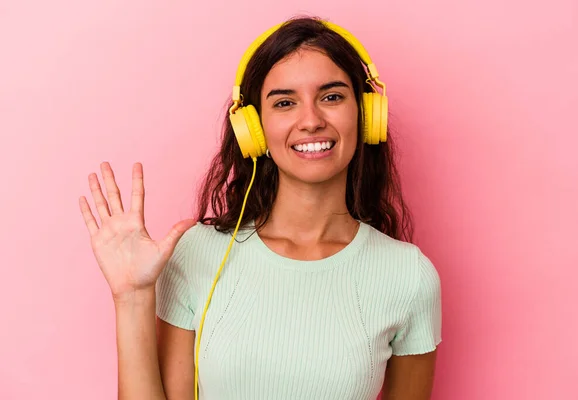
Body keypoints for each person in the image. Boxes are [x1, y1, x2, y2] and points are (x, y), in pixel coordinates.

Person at [79, 15, 442, 400]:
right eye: (285, 103)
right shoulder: (197, 254)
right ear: (253, 129)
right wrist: (132, 297)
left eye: (332, 97)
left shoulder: (408, 277)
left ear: (367, 114)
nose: (311, 121)